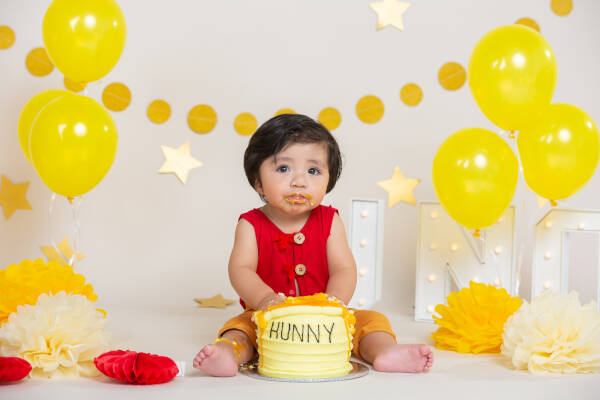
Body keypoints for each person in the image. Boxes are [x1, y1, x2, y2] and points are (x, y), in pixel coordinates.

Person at [193, 114, 433, 376]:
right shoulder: (250, 224)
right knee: (240, 328)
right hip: (270, 317)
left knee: (372, 322)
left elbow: (343, 268)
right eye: (284, 169)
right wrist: (264, 299)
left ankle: (384, 351)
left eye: (313, 171)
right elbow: (241, 269)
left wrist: (334, 303)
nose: (299, 181)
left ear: (328, 180)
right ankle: (228, 353)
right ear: (257, 181)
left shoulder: (330, 220)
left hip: (325, 319)